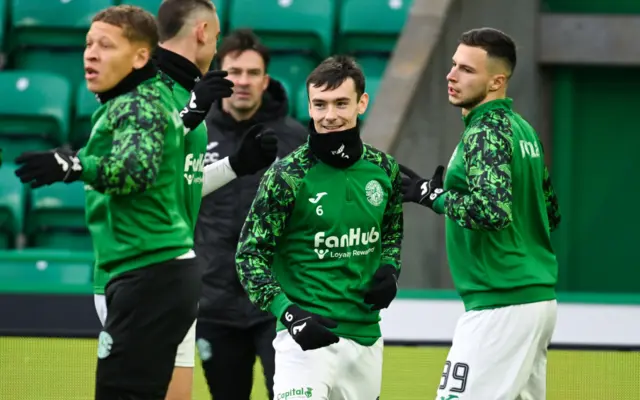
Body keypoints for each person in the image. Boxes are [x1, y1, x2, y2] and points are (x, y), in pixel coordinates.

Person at [89, 2, 278, 400]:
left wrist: (234, 165)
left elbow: (177, 181)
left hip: (171, 274)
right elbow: (132, 168)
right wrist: (190, 113)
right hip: (136, 271)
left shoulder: (186, 88)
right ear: (203, 31)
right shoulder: (142, 86)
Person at [15, 5, 197, 400]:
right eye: (88, 44)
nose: (91, 54)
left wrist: (72, 163)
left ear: (140, 57)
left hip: (150, 272)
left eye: (106, 45)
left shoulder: (139, 103)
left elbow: (136, 169)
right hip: (152, 272)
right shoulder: (129, 101)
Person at [400, 28, 561, 400]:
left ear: (496, 81)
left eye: (467, 70)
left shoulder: (483, 132)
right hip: (534, 299)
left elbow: (493, 212)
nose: (452, 75)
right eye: (454, 65)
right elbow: (549, 211)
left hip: (501, 302)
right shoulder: (523, 130)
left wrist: (433, 196)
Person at [235, 55, 404, 400]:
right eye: (320, 104)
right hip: (303, 340)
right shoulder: (287, 175)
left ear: (362, 103)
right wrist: (290, 313)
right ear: (309, 107)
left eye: (341, 103)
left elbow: (390, 233)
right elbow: (249, 257)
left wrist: (390, 267)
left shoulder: (384, 168)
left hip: (365, 337)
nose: (329, 116)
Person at [194, 28, 306, 400]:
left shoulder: (296, 140)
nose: (242, 82)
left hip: (280, 303)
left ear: (266, 80)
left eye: (252, 73)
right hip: (215, 303)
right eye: (234, 72)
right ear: (219, 76)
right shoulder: (194, 134)